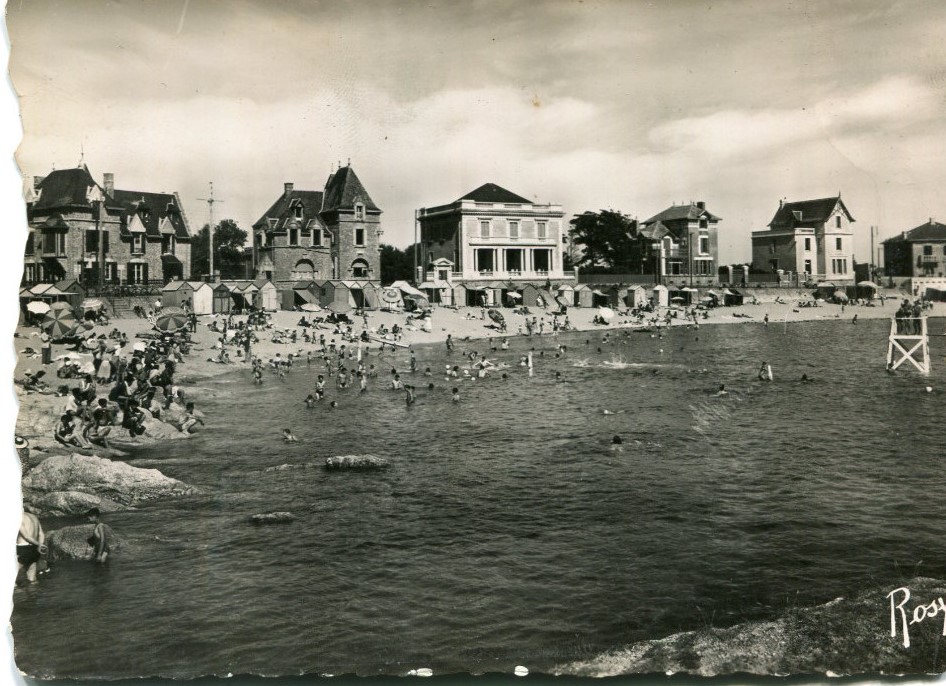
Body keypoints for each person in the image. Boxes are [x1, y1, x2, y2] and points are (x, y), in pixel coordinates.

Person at [17, 512, 46, 584]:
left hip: (22, 548)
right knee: (32, 578)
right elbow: (41, 534)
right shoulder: (34, 516)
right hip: (34, 549)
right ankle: (35, 593)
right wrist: (40, 545)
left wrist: (38, 544)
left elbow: (26, 537)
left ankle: (19, 594)